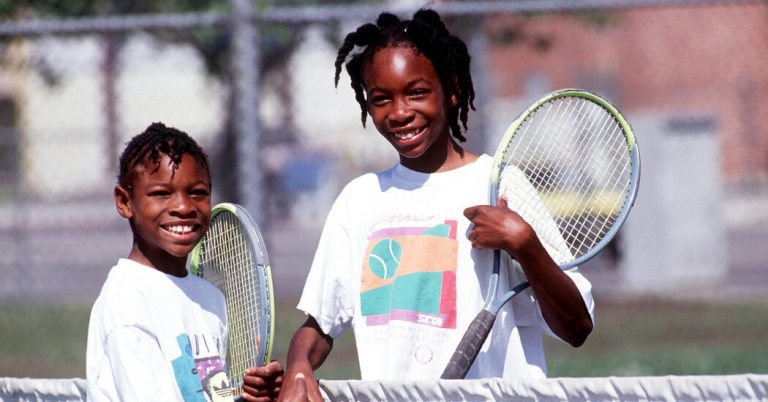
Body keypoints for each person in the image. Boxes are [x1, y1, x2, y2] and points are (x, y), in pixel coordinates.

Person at [278, 8, 595, 400]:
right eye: (381, 99)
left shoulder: (498, 183)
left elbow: (577, 327)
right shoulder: (358, 201)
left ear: (452, 89)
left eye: (416, 92)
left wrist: (525, 244)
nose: (399, 112)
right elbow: (320, 326)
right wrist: (298, 365)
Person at [86, 122, 283, 402]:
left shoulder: (210, 298)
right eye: (161, 194)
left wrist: (252, 393)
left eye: (197, 192)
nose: (183, 207)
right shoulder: (127, 301)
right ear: (125, 201)